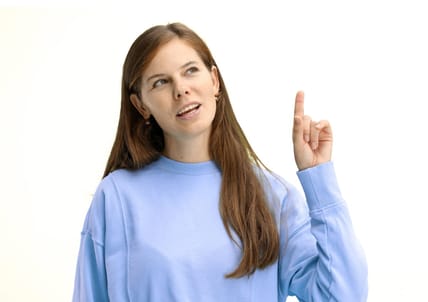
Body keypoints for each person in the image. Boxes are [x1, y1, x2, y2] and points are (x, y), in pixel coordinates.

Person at [72, 22, 368, 302]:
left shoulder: (272, 197)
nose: (181, 90)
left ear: (214, 80)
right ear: (141, 105)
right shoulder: (117, 198)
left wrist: (318, 178)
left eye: (190, 71)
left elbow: (342, 296)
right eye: (161, 82)